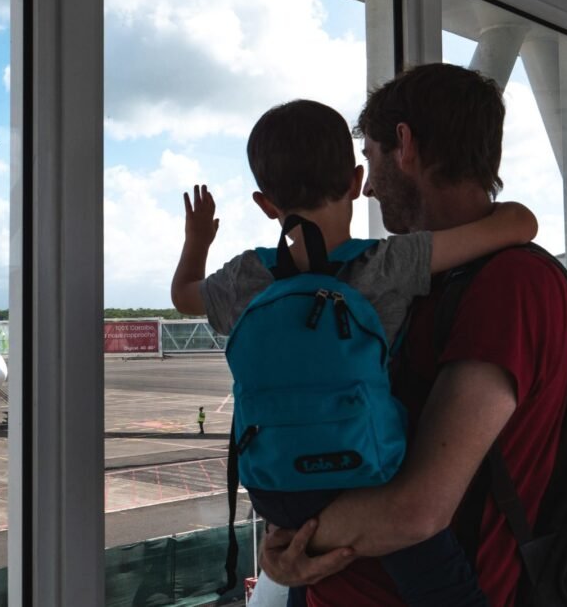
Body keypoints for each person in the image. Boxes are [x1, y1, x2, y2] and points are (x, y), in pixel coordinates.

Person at [171, 98, 539, 606]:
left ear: (265, 204)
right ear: (353, 181)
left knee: (299, 579)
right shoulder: (387, 263)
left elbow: (184, 294)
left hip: (276, 488)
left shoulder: (243, 278)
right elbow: (519, 225)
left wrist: (197, 240)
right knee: (443, 588)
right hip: (366, 469)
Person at [257, 64, 567, 607]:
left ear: (403, 145)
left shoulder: (511, 283)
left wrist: (297, 534)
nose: (371, 188)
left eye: (372, 161)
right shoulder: (427, 281)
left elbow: (417, 510)